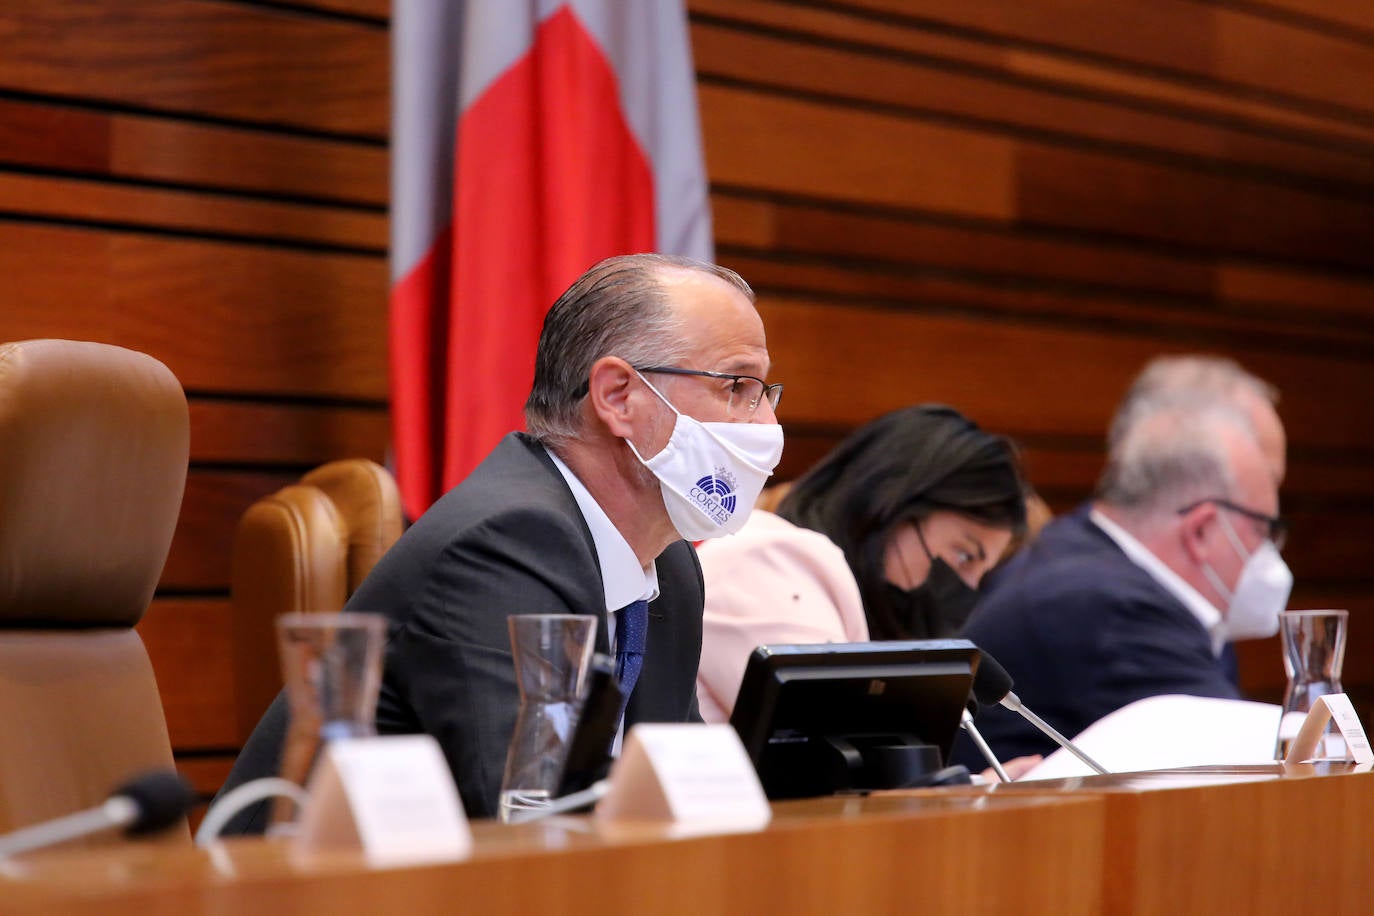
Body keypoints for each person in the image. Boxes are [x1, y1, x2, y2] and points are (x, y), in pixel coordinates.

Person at [217, 253, 784, 823]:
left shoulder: (671, 568)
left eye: (763, 392)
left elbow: (680, 791)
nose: (765, 426)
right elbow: (525, 812)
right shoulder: (506, 541)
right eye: (737, 386)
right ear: (618, 396)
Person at [956, 396, 1293, 764]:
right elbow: (1251, 771)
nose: (1270, 551)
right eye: (1264, 529)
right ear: (1201, 531)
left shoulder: (1079, 555)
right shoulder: (1110, 605)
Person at [694, 404, 1027, 724]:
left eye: (983, 576)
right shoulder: (766, 563)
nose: (966, 588)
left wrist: (976, 782)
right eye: (965, 555)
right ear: (890, 506)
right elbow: (829, 752)